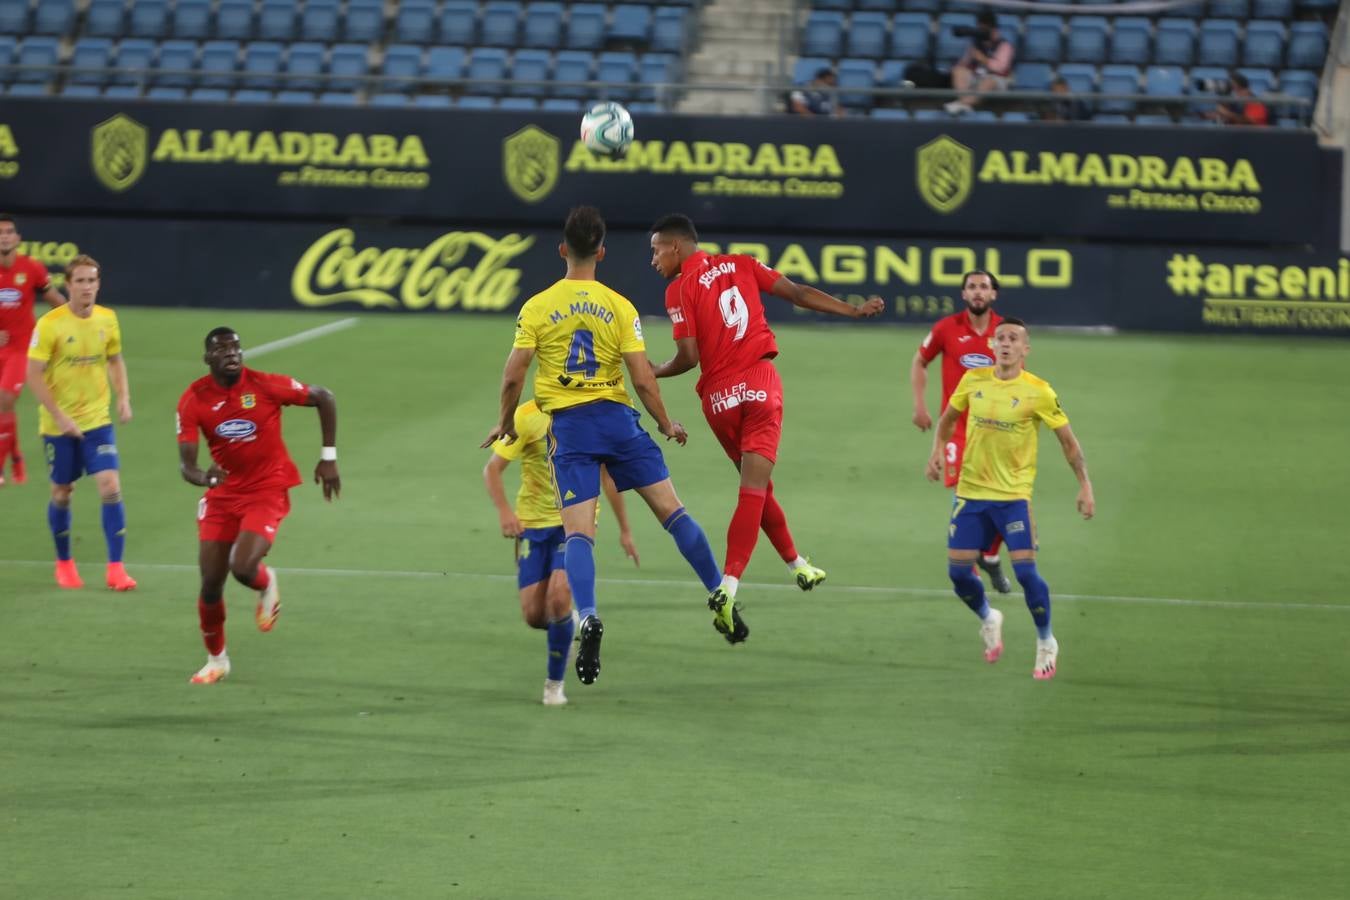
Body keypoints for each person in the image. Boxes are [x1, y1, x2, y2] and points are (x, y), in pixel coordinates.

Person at [481, 206, 724, 687]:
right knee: (673, 512)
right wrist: (665, 422)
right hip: (618, 421)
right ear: (603, 252)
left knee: (578, 537)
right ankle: (718, 590)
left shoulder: (537, 306)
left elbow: (513, 375)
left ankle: (587, 615)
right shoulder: (620, 305)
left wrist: (506, 421)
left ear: (562, 249)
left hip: (571, 428)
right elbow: (641, 378)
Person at [648, 213, 884, 629]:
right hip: (759, 384)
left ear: (677, 247)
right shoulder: (742, 263)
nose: (653, 259)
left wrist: (655, 371)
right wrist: (852, 310)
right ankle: (730, 585)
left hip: (719, 398)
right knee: (754, 489)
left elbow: (688, 358)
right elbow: (796, 293)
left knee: (756, 487)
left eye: (656, 250)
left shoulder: (678, 290)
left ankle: (797, 566)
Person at [925, 318, 1094, 680]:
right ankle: (989, 616)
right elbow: (947, 419)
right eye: (1000, 338)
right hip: (970, 494)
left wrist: (1085, 485)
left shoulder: (1039, 391)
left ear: (1025, 349)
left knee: (1025, 572)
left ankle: (1046, 640)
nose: (1005, 343)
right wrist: (937, 451)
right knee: (958, 573)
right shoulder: (974, 381)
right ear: (992, 346)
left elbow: (1068, 442)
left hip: (1013, 497)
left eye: (1013, 339)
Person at [175, 327, 340, 685]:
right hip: (223, 495)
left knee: (243, 565)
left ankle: (267, 584)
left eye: (235, 347)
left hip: (267, 488)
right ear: (208, 359)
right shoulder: (194, 400)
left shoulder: (265, 385)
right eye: (222, 350)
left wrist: (328, 457)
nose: (232, 354)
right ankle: (217, 660)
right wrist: (205, 479)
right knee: (210, 584)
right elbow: (186, 464)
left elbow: (324, 397)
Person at [484, 400, 638, 706]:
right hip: (532, 525)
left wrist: (625, 529)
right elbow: (492, 470)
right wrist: (504, 513)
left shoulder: (591, 413)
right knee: (534, 615)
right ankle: (567, 623)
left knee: (558, 594)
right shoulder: (526, 416)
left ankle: (553, 685)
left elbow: (608, 477)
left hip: (574, 520)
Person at [25, 255, 135, 591]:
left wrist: (124, 397)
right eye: (80, 282)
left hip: (97, 420)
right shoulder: (50, 324)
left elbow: (115, 359)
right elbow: (33, 374)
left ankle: (116, 568)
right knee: (62, 492)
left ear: (99, 284)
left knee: (110, 485)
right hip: (58, 425)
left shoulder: (108, 319)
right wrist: (60, 416)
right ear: (68, 285)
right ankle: (64, 563)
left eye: (92, 281)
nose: (87, 287)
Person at [909, 270, 1011, 593]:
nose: (978, 292)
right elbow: (919, 361)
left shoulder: (1006, 333)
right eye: (972, 287)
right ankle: (970, 573)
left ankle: (990, 556)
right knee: (964, 497)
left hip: (996, 430)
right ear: (964, 294)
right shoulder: (946, 329)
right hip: (956, 430)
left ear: (993, 294)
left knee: (1002, 500)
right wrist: (920, 406)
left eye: (984, 287)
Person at [0, 214, 67, 486]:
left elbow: (57, 302)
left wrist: (70, 324)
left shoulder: (32, 268)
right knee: (4, 406)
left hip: (22, 348)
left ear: (17, 238)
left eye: (9, 231)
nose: (4, 236)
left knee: (5, 399)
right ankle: (17, 457)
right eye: (0, 232)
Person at [945, 9, 1014, 116]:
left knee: (989, 81)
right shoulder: (976, 42)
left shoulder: (1005, 45)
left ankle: (961, 103)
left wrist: (983, 59)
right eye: (980, 28)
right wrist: (959, 66)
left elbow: (1000, 68)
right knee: (958, 71)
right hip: (977, 77)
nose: (982, 32)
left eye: (984, 29)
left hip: (997, 80)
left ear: (993, 29)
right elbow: (964, 63)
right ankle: (965, 104)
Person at [1205, 71, 1269, 126]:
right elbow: (1217, 117)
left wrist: (1226, 113)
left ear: (1246, 90)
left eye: (1236, 89)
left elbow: (1250, 123)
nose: (1234, 93)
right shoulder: (1234, 104)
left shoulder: (1255, 103)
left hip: (1256, 137)